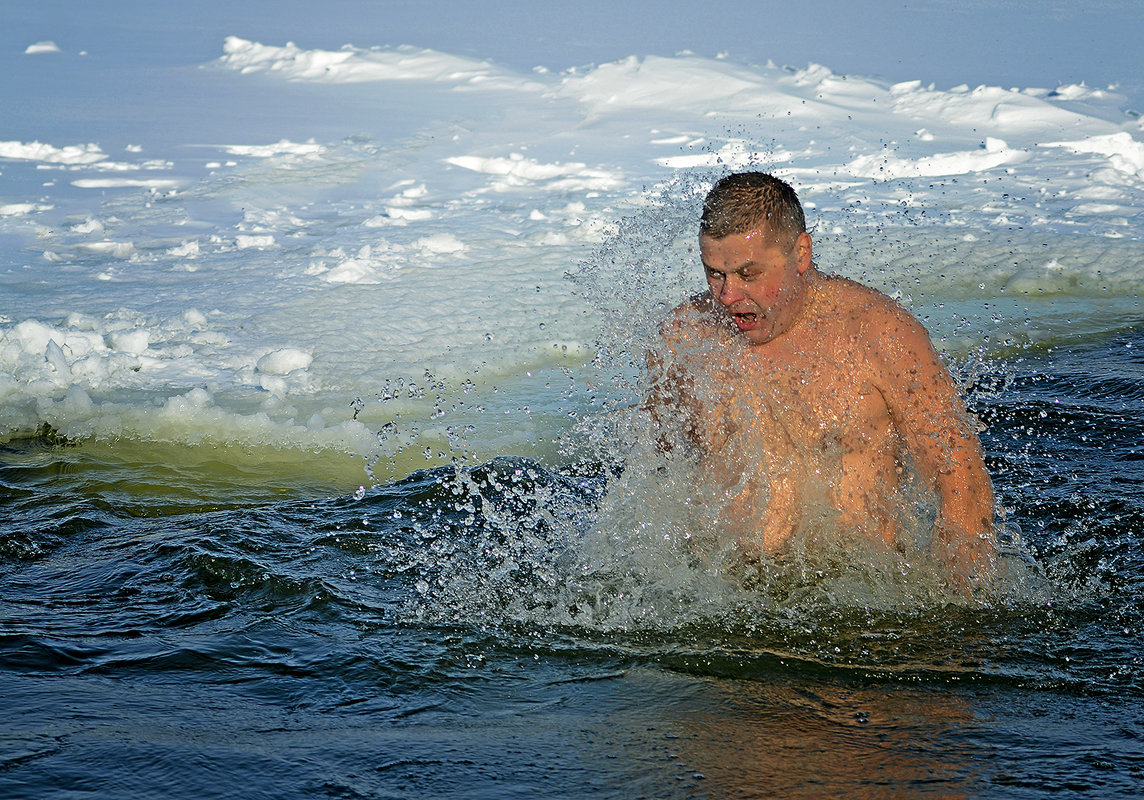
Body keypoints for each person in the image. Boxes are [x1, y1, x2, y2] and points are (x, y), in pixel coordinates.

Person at [645, 172, 995, 582]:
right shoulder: (685, 338)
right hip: (730, 595)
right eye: (715, 273)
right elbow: (657, 473)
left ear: (802, 253)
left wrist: (957, 607)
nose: (727, 296)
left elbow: (960, 478)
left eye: (748, 273)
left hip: (862, 597)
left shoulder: (878, 334)